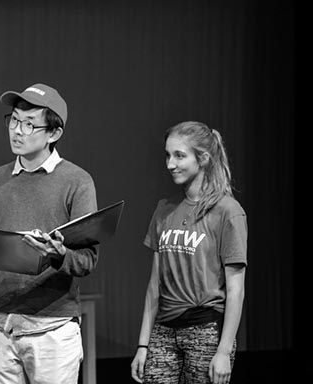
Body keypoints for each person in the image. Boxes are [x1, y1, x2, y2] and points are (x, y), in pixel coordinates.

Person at [0, 83, 99, 384]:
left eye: (30, 124)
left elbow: (87, 260)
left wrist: (59, 255)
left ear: (54, 133)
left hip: (52, 331)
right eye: (14, 120)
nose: (17, 130)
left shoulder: (77, 182)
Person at [130, 121, 247, 384]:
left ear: (203, 158)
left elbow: (236, 289)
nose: (170, 163)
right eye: (168, 155)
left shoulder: (227, 211)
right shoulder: (164, 209)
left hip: (205, 329)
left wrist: (224, 351)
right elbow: (153, 286)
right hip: (163, 329)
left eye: (179, 155)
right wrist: (142, 346)